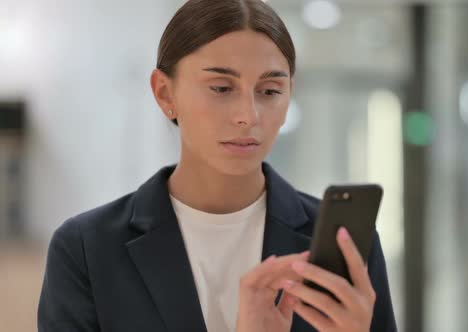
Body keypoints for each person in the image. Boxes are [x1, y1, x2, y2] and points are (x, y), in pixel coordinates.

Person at [37, 0, 397, 331]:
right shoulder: (88, 249)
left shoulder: (346, 246)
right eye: (221, 88)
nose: (248, 116)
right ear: (165, 93)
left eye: (270, 91)